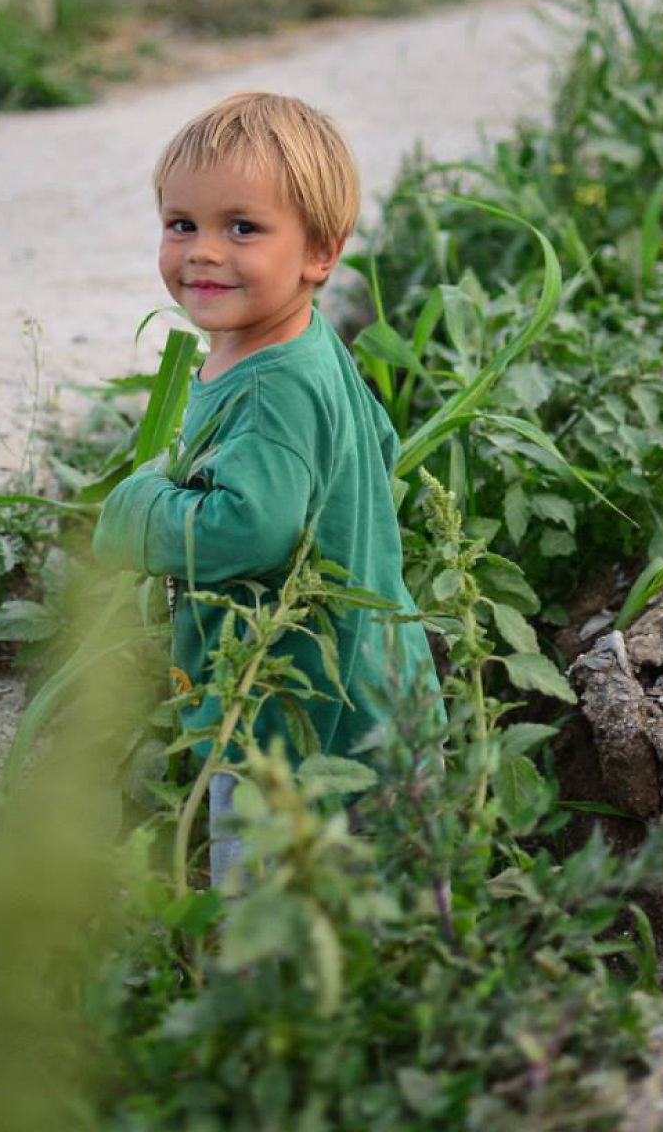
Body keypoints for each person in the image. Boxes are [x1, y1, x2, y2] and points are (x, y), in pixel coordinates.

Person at [93, 92, 438, 885]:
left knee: (268, 916)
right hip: (375, 687)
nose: (203, 252)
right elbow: (378, 445)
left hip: (296, 717)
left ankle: (258, 1004)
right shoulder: (296, 346)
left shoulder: (273, 388)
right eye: (182, 224)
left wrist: (135, 511)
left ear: (320, 253)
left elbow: (247, 530)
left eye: (242, 228)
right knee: (369, 913)